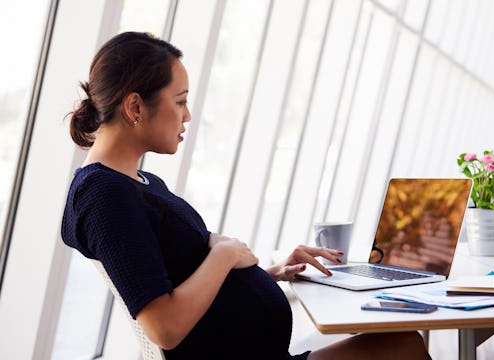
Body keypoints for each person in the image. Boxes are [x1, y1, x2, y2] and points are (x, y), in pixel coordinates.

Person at [61, 31, 431, 360]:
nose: (187, 115)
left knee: (403, 343)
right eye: (179, 101)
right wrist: (223, 255)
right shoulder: (104, 196)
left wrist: (273, 273)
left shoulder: (139, 183)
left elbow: (188, 283)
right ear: (135, 107)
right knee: (403, 347)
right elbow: (165, 327)